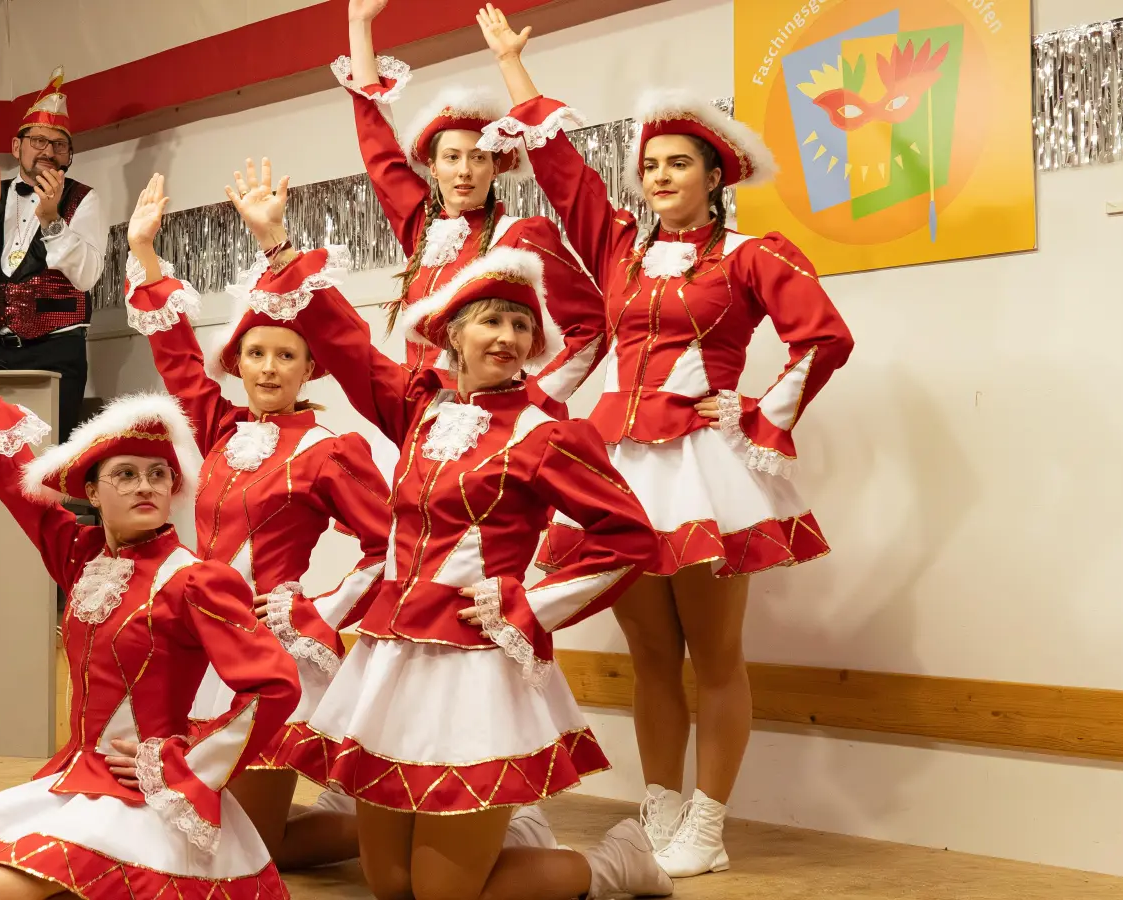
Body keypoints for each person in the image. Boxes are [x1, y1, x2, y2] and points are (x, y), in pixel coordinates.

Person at [224, 158, 672, 900]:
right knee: (389, 884)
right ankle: (512, 834)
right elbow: (344, 341)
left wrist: (529, 608)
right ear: (455, 336)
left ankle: (612, 867)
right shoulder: (420, 409)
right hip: (388, 660)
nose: (507, 337)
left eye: (522, 325)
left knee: (439, 894)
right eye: (491, 321)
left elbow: (631, 538)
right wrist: (276, 243)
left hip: (472, 668)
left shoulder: (543, 434)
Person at [477, 5, 855, 879]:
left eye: (677, 163)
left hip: (702, 469)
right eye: (648, 164)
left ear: (714, 174)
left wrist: (760, 418)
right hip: (619, 464)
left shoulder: (754, 253)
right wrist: (513, 72)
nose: (658, 176)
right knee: (652, 655)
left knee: (714, 656)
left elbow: (823, 337)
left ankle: (710, 825)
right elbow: (567, 178)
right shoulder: (619, 250)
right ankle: (660, 808)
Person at [0, 278, 300, 900]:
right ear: (91, 493)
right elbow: (16, 481)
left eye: (157, 474)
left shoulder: (196, 579)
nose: (146, 485)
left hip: (147, 793)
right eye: (125, 474)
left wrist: (178, 760)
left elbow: (276, 685)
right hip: (75, 773)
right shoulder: (82, 555)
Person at [122, 173, 392, 871]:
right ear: (237, 364)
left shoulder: (332, 450)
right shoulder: (218, 428)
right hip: (198, 644)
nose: (270, 368)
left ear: (310, 368)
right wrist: (145, 255)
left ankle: (407, 838)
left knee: (249, 849)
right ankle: (374, 823)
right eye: (256, 354)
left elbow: (388, 548)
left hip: (271, 658)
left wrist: (317, 607)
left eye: (287, 355)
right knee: (198, 828)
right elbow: (178, 359)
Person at [334, 0, 606, 400]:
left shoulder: (525, 235)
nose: (465, 170)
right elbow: (379, 151)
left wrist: (537, 396)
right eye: (452, 158)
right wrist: (359, 26)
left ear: (495, 166)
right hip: (419, 416)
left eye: (478, 157)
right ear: (433, 167)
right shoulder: (421, 228)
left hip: (491, 418)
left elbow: (592, 325)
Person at [0, 66, 107, 440]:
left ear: (69, 155)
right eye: (38, 141)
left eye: (59, 145)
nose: (48, 151)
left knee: (47, 461)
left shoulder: (84, 199)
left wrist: (52, 222)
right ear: (17, 147)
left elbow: (88, 275)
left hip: (56, 352)